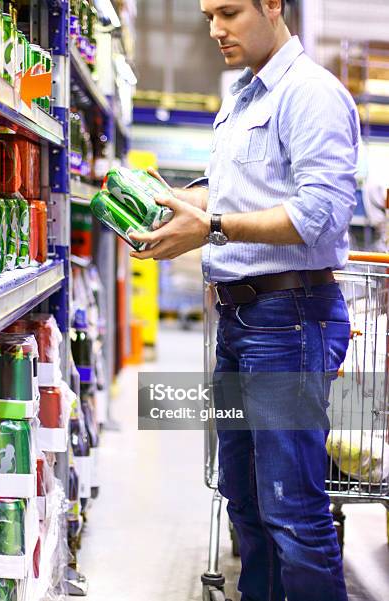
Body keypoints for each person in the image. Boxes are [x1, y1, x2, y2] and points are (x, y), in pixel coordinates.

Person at [129, 1, 359, 600]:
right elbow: (238, 190)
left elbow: (321, 214)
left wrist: (211, 227)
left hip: (287, 321)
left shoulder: (311, 94)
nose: (214, 30)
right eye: (208, 14)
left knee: (292, 512)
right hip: (239, 321)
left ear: (273, 5)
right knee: (246, 502)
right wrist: (180, 203)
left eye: (228, 12)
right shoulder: (241, 99)